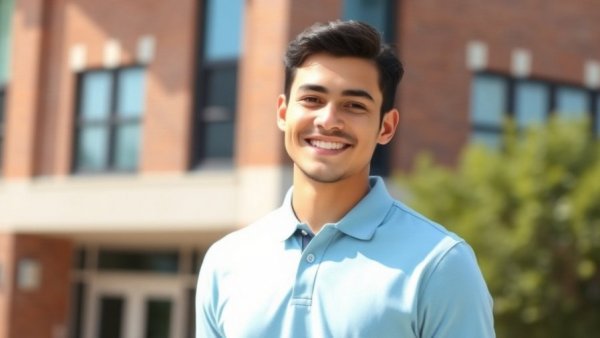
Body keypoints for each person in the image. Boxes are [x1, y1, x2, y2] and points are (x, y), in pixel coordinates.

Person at [196, 20, 495, 338]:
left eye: (354, 105)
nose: (328, 121)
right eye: (312, 99)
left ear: (387, 127)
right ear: (283, 113)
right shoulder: (226, 260)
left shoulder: (440, 264)